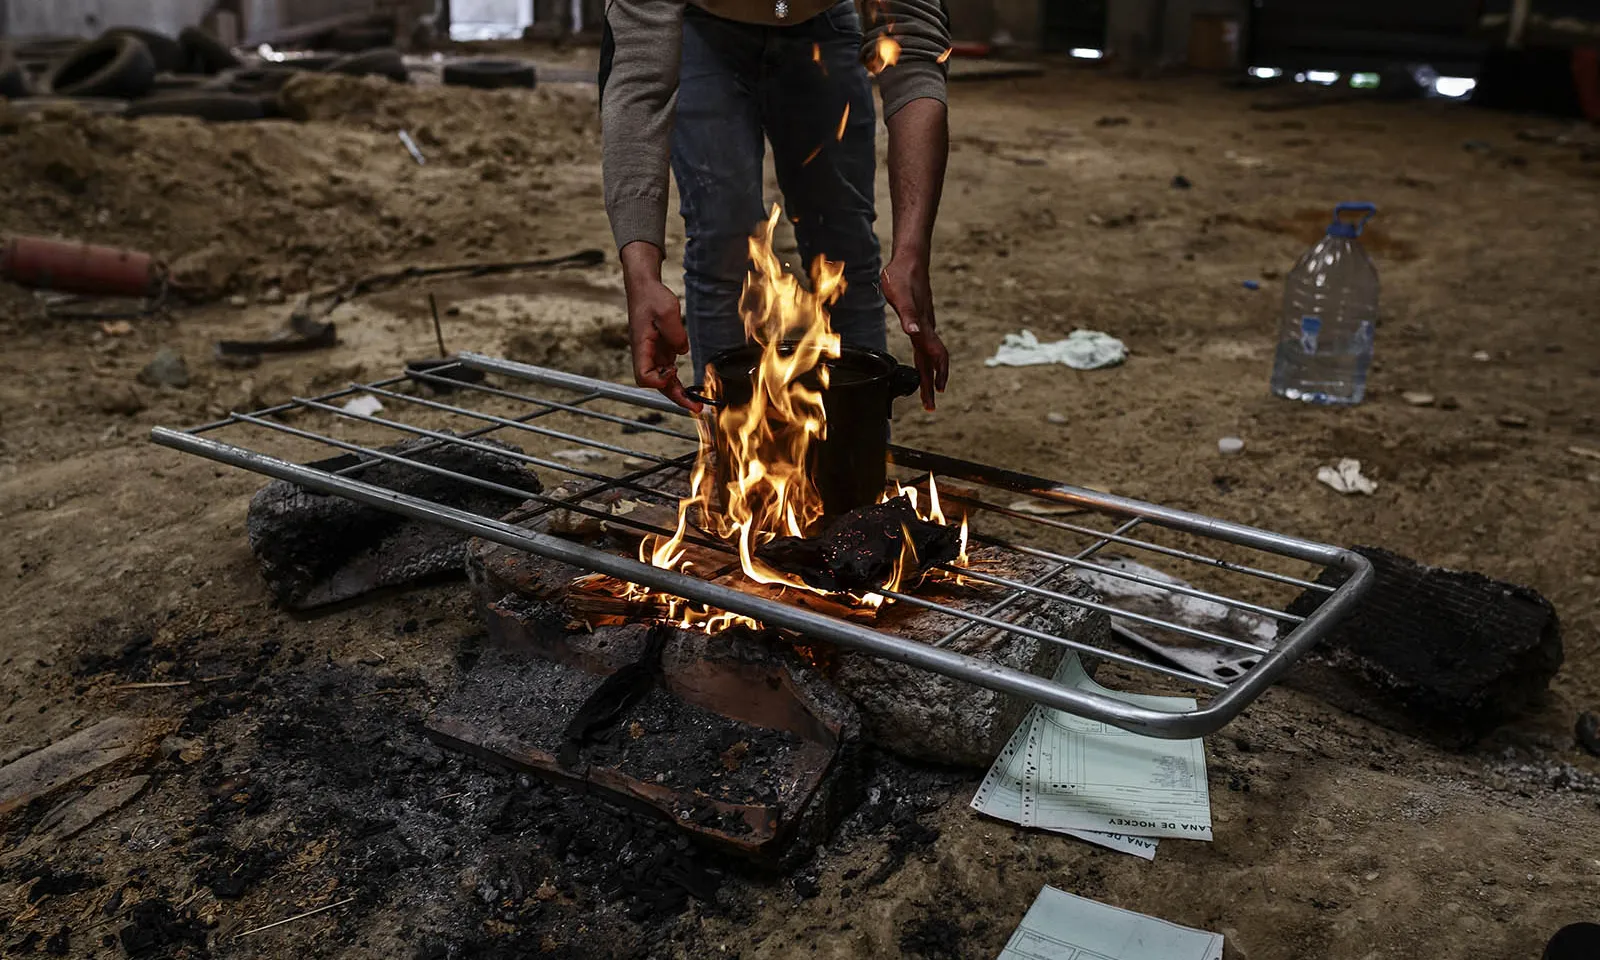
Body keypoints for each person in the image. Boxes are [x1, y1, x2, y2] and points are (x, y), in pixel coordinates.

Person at [599, 0, 953, 413]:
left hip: (826, 24)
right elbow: (638, 82)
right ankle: (733, 451)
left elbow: (913, 47)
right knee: (723, 243)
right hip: (701, 29)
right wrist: (640, 275)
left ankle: (856, 451)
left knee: (844, 252)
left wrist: (913, 248)